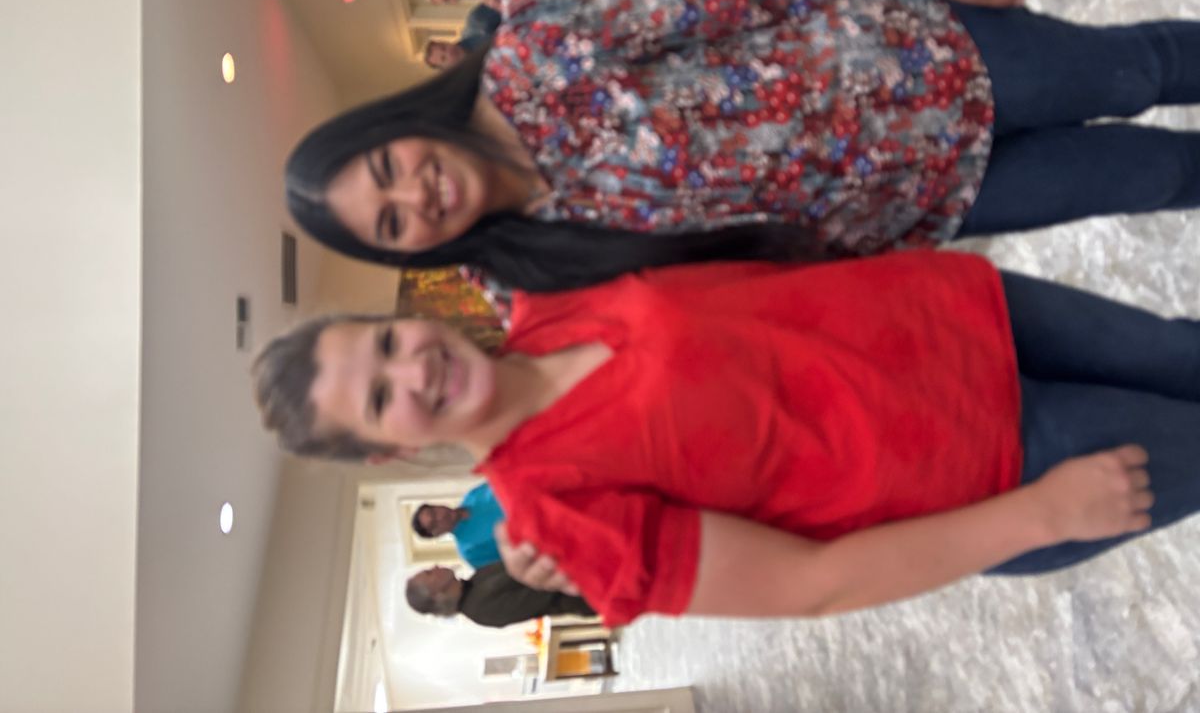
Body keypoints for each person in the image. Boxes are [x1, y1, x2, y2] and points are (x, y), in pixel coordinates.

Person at [251, 250, 1199, 626]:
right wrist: (1038, 519)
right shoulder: (559, 514)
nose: (415, 368)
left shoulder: (551, 299)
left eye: (386, 344)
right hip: (998, 463)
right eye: (382, 399)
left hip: (966, 311)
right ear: (386, 453)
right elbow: (812, 586)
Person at [284, 0, 1200, 293]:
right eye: (391, 222)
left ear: (394, 128)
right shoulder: (530, 282)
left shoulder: (535, 46)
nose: (417, 193)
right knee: (1154, 177)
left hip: (929, 58)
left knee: (1134, 73)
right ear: (406, 250)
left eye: (387, 169)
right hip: (928, 204)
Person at [405, 562, 594, 628]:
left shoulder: (476, 579)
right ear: (436, 594)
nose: (435, 566)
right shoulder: (480, 610)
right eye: (429, 573)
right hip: (587, 589)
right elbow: (541, 589)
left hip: (581, 570)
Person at [412, 482, 505, 568]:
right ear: (437, 535)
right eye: (434, 524)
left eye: (434, 512)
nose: (441, 517)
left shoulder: (473, 495)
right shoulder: (471, 552)